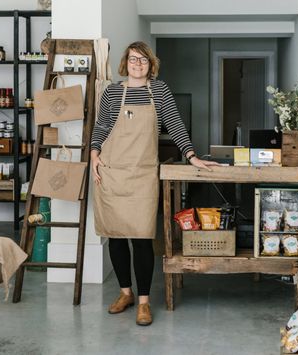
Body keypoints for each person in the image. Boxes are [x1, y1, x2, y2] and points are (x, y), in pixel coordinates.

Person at [90, 41, 219, 326]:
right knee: (116, 235)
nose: (137, 64)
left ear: (151, 65)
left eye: (143, 60)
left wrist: (192, 155)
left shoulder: (159, 91)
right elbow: (101, 126)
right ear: (126, 62)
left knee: (141, 236)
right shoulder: (112, 92)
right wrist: (94, 154)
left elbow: (174, 124)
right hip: (111, 172)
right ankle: (126, 293)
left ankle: (144, 301)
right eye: (133, 59)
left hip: (143, 174)